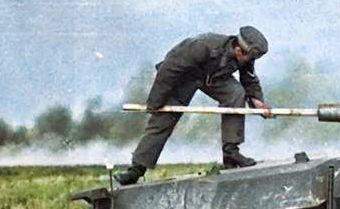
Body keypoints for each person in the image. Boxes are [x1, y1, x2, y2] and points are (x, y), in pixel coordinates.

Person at [115, 26, 273, 185]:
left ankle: (231, 153)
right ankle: (136, 170)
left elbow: (249, 79)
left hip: (213, 78)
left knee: (236, 93)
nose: (251, 61)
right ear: (239, 50)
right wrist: (155, 102)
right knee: (164, 118)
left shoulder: (247, 55)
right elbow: (169, 69)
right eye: (249, 57)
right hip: (184, 76)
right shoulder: (202, 46)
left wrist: (257, 101)